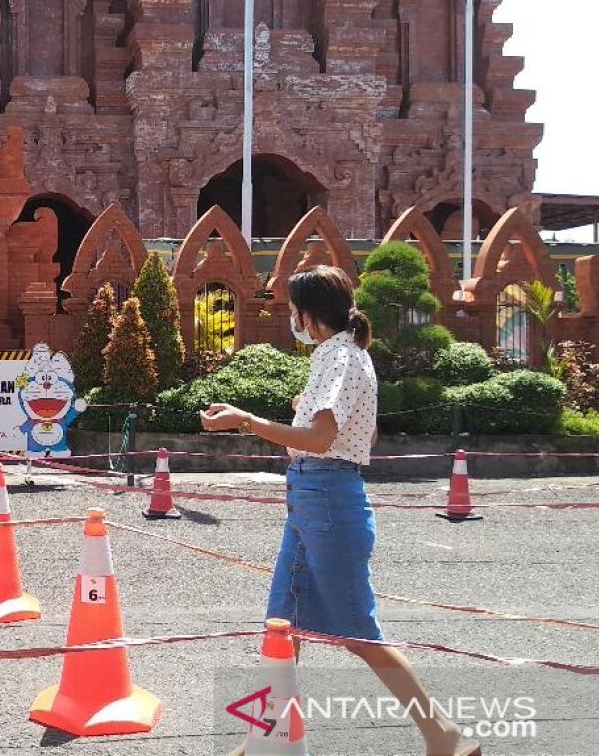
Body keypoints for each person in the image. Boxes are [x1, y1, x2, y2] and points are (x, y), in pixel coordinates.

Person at [200, 265, 478, 756]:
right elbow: (359, 435)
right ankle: (264, 739)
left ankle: (444, 734)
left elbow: (321, 440)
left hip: (326, 498)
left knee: (358, 633)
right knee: (283, 626)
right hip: (315, 497)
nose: (290, 319)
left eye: (291, 311)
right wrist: (301, 410)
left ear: (309, 315)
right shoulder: (347, 356)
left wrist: (247, 420)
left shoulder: (340, 359)